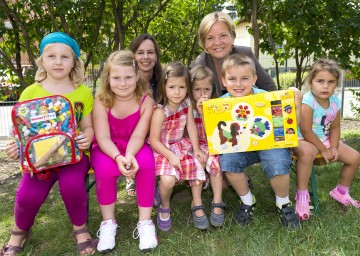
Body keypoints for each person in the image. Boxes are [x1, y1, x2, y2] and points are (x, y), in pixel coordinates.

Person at [1, 32, 97, 255]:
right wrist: (16, 146)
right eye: (51, 56)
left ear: (74, 61)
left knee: (72, 186)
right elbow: (19, 130)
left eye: (65, 57)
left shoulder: (82, 92)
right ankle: (19, 231)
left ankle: (80, 229)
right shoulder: (30, 92)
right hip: (40, 159)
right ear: (42, 60)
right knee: (27, 196)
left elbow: (89, 126)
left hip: (73, 156)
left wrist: (88, 136)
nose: (58, 61)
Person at [217, 53, 301, 230]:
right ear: (223, 81)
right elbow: (216, 133)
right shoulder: (219, 105)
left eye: (245, 78)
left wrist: (295, 103)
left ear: (254, 79)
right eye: (232, 79)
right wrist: (203, 113)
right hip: (241, 147)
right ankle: (248, 200)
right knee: (227, 162)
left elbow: (289, 125)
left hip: (269, 144)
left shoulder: (268, 98)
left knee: (278, 163)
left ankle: (283, 203)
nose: (238, 84)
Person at [90, 50, 157, 253]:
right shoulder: (101, 100)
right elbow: (102, 137)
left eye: (128, 77)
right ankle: (108, 223)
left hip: (134, 145)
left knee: (146, 164)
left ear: (137, 77)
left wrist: (129, 155)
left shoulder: (146, 101)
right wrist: (118, 157)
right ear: (108, 78)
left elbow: (138, 135)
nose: (123, 83)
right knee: (104, 169)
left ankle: (145, 223)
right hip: (107, 147)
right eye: (116, 78)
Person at [293, 59, 360, 220]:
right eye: (320, 81)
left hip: (324, 139)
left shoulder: (335, 102)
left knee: (355, 157)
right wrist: (324, 149)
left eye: (331, 82)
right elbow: (306, 130)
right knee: (308, 153)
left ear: (336, 84)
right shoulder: (308, 102)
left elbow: (335, 127)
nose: (325, 86)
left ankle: (341, 192)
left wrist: (334, 147)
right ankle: (302, 195)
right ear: (311, 82)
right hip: (303, 139)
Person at [149, 62, 207, 231]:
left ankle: (196, 202)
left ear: (187, 88)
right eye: (172, 86)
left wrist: (196, 149)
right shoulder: (160, 111)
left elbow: (190, 127)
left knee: (198, 162)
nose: (177, 92)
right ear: (164, 86)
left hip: (180, 145)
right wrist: (170, 156)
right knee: (168, 180)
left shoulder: (187, 103)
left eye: (182, 87)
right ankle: (165, 205)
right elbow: (154, 140)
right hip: (162, 148)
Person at [190, 12, 276, 96]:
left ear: (232, 36)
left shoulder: (245, 55)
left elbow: (270, 89)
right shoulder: (197, 67)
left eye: (223, 35)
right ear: (204, 42)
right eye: (210, 38)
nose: (217, 42)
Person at [125, 34, 162, 197]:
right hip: (132, 131)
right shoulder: (126, 80)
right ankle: (132, 175)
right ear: (133, 55)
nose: (146, 57)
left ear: (156, 56)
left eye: (150, 52)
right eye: (140, 52)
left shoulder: (163, 80)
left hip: (158, 130)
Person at [190, 65, 226, 227]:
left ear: (213, 89)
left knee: (215, 160)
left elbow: (211, 135)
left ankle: (217, 200)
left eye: (207, 89)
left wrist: (205, 114)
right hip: (192, 145)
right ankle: (196, 202)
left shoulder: (217, 106)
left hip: (211, 142)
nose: (202, 94)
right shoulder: (188, 106)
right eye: (197, 89)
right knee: (196, 161)